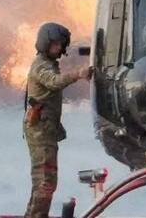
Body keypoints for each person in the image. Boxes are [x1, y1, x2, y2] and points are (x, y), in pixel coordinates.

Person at [23, 23, 91, 218]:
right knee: (45, 181)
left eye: (60, 45)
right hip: (40, 130)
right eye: (54, 44)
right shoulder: (41, 66)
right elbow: (54, 82)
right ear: (45, 43)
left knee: (43, 181)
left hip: (45, 129)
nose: (58, 48)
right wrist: (78, 74)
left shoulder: (48, 64)